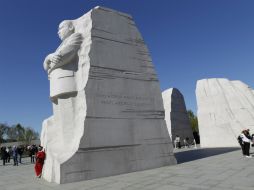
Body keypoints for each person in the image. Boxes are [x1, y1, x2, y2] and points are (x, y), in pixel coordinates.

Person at [43, 20, 83, 99]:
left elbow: (62, 57)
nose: (58, 32)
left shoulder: (75, 37)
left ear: (71, 27)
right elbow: (45, 67)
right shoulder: (60, 46)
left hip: (66, 83)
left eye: (60, 28)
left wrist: (49, 67)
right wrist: (49, 57)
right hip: (56, 84)